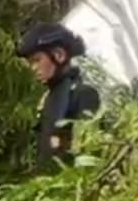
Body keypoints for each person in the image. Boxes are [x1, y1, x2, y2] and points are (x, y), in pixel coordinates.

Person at [17, 23, 101, 170]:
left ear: (59, 55)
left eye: (37, 60)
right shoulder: (46, 98)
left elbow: (88, 153)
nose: (33, 68)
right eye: (30, 63)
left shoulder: (83, 95)